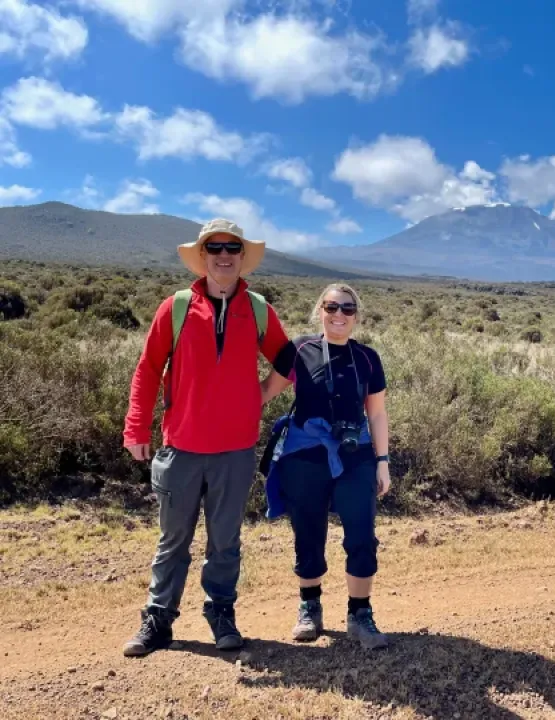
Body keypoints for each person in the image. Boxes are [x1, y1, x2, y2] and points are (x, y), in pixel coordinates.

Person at [121, 218, 289, 657]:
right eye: (214, 248)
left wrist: (261, 394)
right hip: (182, 448)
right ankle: (158, 621)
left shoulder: (256, 308)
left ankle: (221, 615)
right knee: (172, 540)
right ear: (203, 256)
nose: (224, 255)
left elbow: (289, 358)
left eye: (232, 247)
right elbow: (147, 368)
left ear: (241, 255)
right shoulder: (176, 307)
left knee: (225, 541)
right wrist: (136, 426)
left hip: (234, 450)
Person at [261, 283, 391, 650]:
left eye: (347, 309)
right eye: (332, 307)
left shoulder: (367, 358)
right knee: (307, 531)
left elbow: (377, 413)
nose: (339, 315)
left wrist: (383, 462)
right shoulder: (300, 349)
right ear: (320, 309)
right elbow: (265, 391)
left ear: (356, 316)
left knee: (362, 535)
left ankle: (360, 614)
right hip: (305, 455)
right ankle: (309, 608)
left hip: (356, 455)